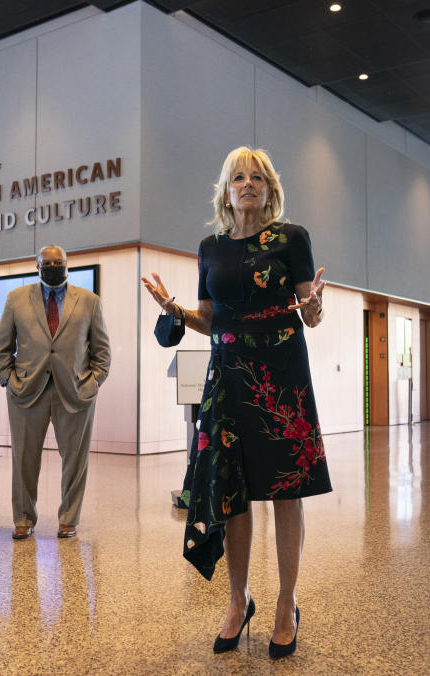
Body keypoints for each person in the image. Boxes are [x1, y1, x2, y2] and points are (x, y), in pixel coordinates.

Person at [141, 147, 331, 659]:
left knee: (287, 491)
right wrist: (173, 308)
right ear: (225, 190)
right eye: (237, 178)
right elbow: (209, 318)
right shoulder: (211, 248)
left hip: (281, 378)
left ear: (270, 188)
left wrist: (313, 305)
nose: (247, 184)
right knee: (233, 492)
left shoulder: (292, 239)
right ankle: (237, 598)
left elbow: (307, 314)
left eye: (257, 177)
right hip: (226, 380)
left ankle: (286, 602)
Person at [0, 245, 111, 540]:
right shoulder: (16, 299)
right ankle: (23, 517)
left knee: (75, 460)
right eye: (48, 262)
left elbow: (102, 352)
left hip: (75, 392)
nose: (54, 266)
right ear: (37, 266)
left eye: (59, 262)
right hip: (25, 391)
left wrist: (93, 382)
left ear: (68, 266)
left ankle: (69, 519)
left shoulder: (89, 301)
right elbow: (2, 348)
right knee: (24, 459)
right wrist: (8, 379)